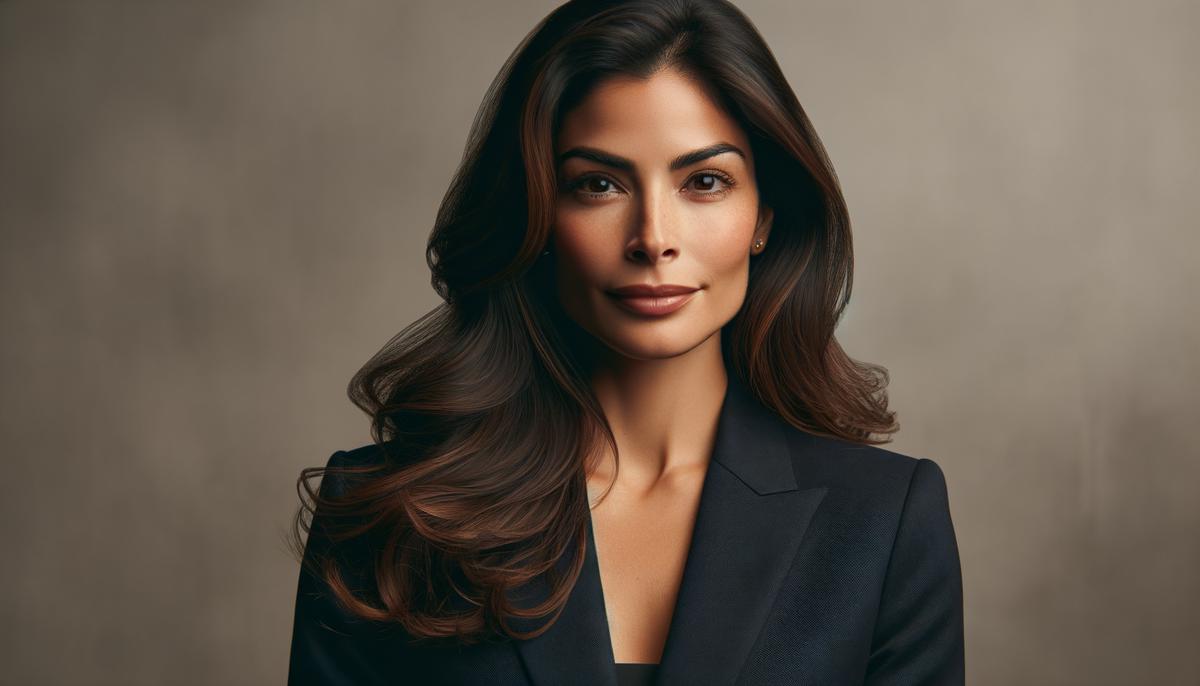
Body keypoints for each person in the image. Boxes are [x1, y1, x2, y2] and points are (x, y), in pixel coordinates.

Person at [286, 0, 965, 684]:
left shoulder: (884, 521)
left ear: (764, 217)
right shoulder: (389, 514)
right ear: (537, 214)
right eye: (598, 184)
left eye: (704, 182)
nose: (653, 238)